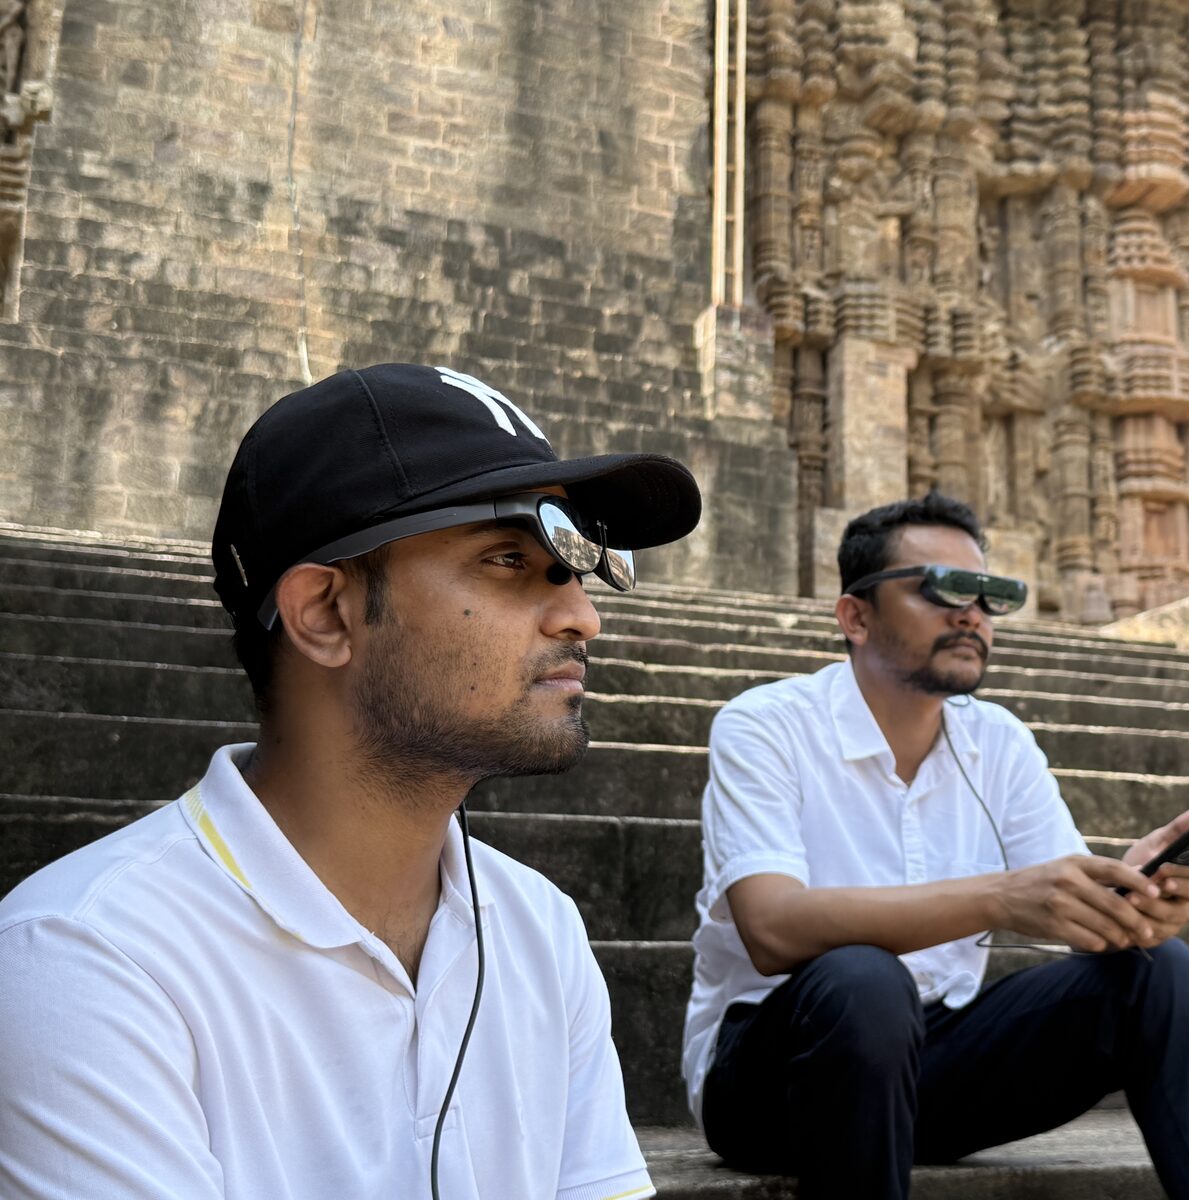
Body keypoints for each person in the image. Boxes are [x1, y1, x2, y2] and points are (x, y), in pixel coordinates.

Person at [0, 363, 701, 1200]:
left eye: (581, 566)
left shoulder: (539, 932)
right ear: (325, 614)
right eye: (509, 557)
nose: (583, 616)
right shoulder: (89, 963)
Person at [681, 491, 1189, 1199]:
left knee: (1157, 970)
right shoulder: (765, 725)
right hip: (775, 1077)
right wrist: (1001, 899)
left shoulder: (999, 741)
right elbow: (771, 928)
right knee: (865, 979)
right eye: (941, 589)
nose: (970, 612)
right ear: (855, 615)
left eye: (990, 594)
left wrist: (1121, 900)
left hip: (937, 1072)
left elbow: (1065, 902)